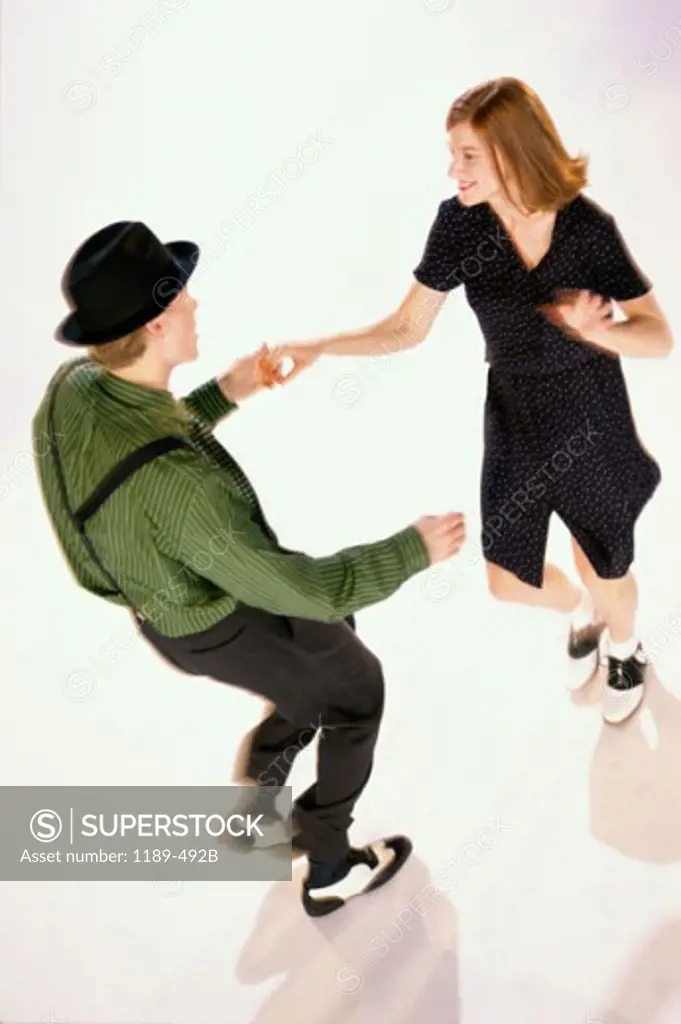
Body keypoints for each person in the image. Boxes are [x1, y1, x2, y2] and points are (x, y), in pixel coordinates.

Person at [32, 220, 466, 915]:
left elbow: (143, 447)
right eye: (181, 300)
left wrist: (225, 393)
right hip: (219, 617)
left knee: (323, 654)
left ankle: (253, 822)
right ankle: (327, 865)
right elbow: (301, 587)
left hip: (168, 608)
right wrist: (410, 550)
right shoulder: (182, 490)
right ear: (152, 327)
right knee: (356, 690)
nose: (196, 306)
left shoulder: (75, 385)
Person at [271, 77, 673, 726]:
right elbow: (406, 327)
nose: (452, 169)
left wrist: (606, 330)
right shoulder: (459, 226)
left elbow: (658, 338)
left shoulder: (585, 230)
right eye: (451, 154)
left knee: (604, 563)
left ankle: (625, 648)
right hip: (513, 410)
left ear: (512, 152)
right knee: (505, 577)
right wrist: (320, 348)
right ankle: (578, 616)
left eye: (467, 155)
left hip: (589, 411)